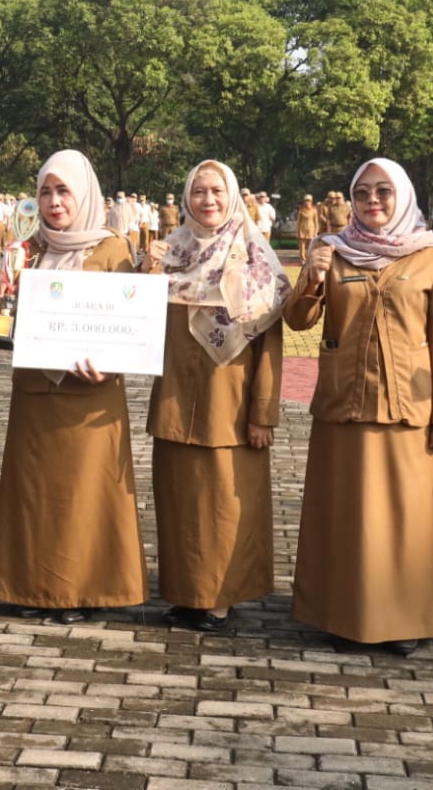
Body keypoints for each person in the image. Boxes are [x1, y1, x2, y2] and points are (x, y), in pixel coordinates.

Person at [283, 157, 433, 655]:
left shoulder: (430, 256)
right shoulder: (331, 250)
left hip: (409, 406)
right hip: (344, 404)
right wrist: (312, 279)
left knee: (405, 519)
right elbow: (298, 321)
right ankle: (341, 617)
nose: (373, 202)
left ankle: (403, 620)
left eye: (383, 192)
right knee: (345, 514)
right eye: (363, 194)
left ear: (401, 196)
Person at [0, 150, 146, 625]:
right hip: (37, 392)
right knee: (36, 493)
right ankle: (31, 586)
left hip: (92, 396)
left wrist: (113, 364)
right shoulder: (26, 249)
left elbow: (129, 321)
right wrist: (3, 293)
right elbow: (2, 318)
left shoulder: (113, 248)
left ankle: (88, 589)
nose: (55, 202)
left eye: (64, 191)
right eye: (45, 192)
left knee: (87, 497)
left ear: (85, 193)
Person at [142, 160, 288, 631]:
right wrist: (142, 274)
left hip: (232, 400)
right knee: (180, 500)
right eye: (199, 192)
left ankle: (221, 597)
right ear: (187, 197)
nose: (208, 200)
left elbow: (270, 342)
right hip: (175, 397)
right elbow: (134, 322)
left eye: (217, 192)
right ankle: (187, 594)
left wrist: (263, 411)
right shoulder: (168, 252)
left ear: (233, 197)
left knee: (225, 502)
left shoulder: (254, 256)